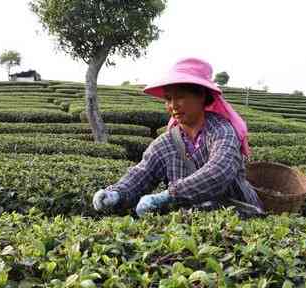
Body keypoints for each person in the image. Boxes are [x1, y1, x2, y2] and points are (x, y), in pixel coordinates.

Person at [93, 57, 265, 218]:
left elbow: (219, 170)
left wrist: (169, 195)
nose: (173, 105)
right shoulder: (167, 141)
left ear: (202, 96)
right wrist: (116, 193)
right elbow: (143, 172)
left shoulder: (222, 131)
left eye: (180, 96)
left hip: (239, 217)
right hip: (194, 222)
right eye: (168, 99)